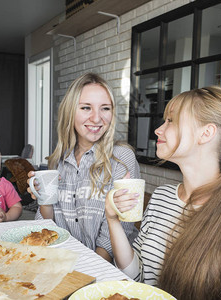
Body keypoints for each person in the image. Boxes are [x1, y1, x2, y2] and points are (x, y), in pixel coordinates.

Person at [105, 86, 221, 300]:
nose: (158, 130)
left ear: (206, 133)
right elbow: (139, 280)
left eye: (171, 121)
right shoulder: (161, 198)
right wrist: (113, 221)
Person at [28, 73, 140, 262]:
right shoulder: (57, 160)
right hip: (63, 263)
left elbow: (123, 225)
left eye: (105, 108)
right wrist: (43, 198)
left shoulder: (122, 157)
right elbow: (47, 224)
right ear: (70, 111)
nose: (97, 118)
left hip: (105, 269)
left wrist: (92, 270)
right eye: (86, 108)